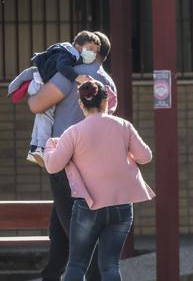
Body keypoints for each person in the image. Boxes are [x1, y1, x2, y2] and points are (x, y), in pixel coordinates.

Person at [43, 80, 154, 281]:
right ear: (106, 101)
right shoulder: (124, 126)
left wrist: (50, 146)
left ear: (81, 105)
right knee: (111, 265)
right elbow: (146, 157)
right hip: (121, 205)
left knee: (77, 264)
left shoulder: (73, 132)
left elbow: (53, 166)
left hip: (88, 206)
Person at [28, 31, 116, 281]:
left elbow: (36, 104)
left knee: (80, 237)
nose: (77, 50)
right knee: (61, 234)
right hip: (94, 167)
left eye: (81, 46)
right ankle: (51, 275)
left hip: (66, 165)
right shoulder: (109, 82)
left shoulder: (72, 76)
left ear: (93, 50)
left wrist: (35, 89)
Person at [13, 31, 100, 166]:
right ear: (77, 46)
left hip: (39, 83)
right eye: (90, 49)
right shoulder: (68, 55)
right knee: (45, 114)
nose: (93, 53)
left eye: (95, 51)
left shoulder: (73, 57)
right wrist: (77, 78)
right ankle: (39, 148)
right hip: (38, 84)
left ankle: (36, 148)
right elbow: (62, 67)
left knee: (44, 115)